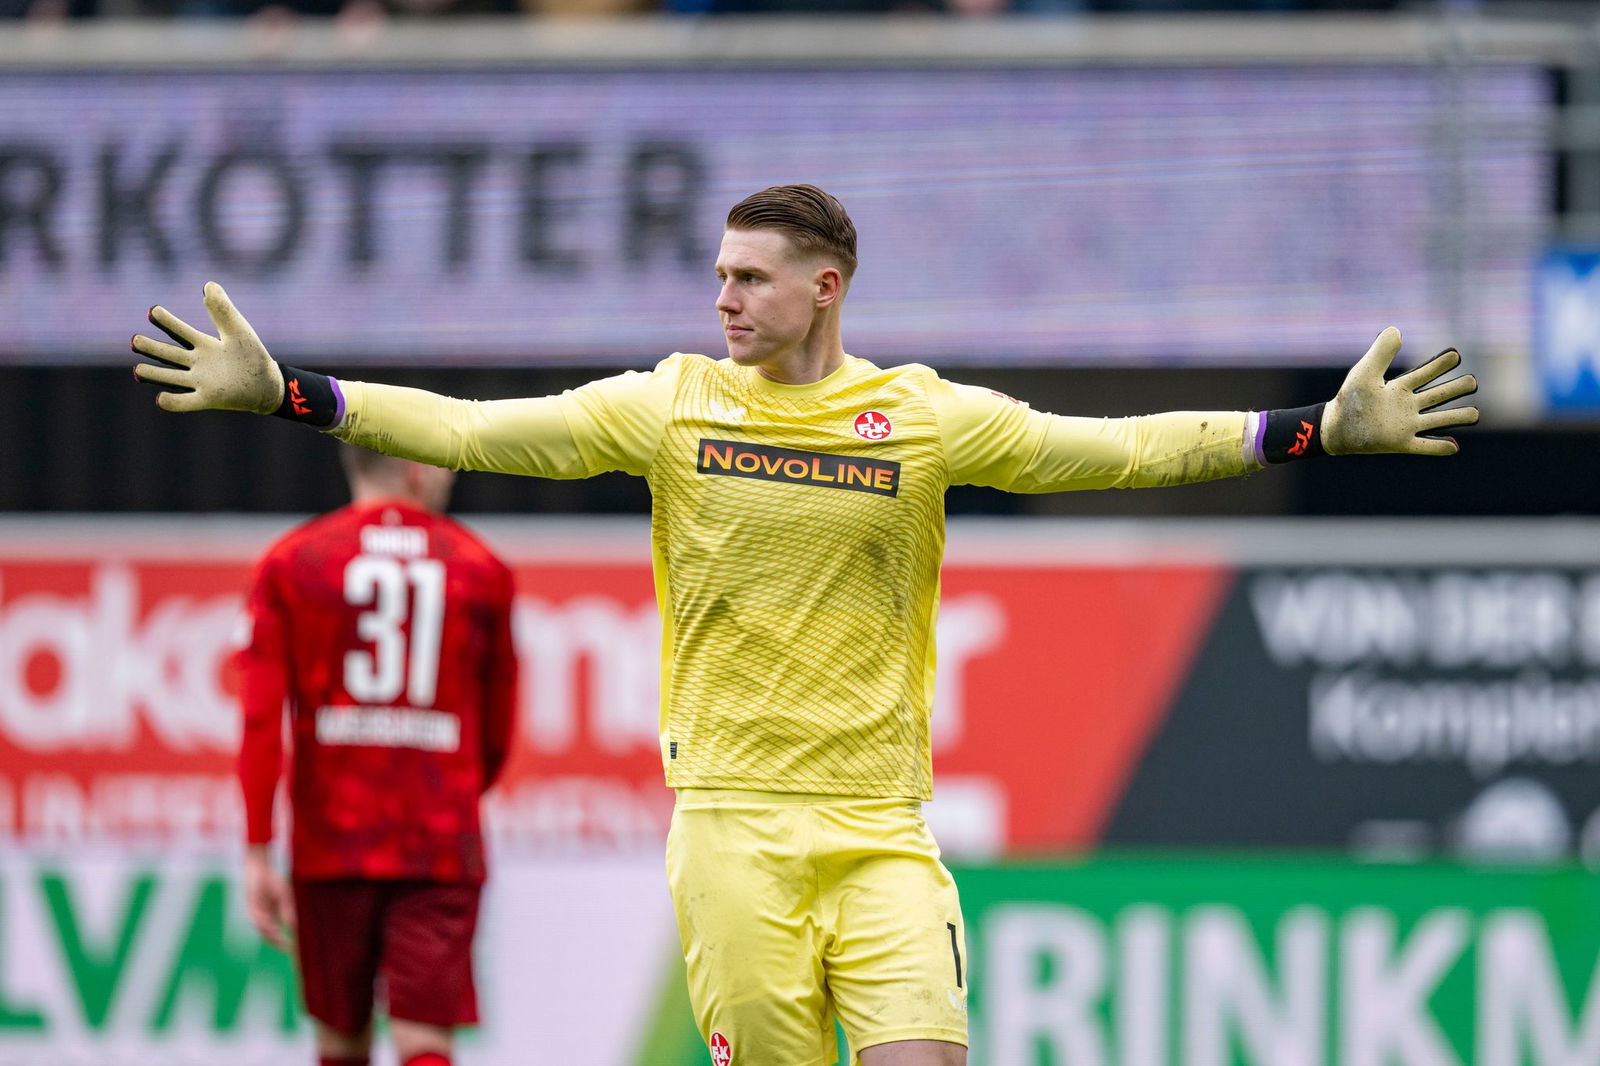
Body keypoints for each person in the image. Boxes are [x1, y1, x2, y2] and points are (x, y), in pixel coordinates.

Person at [135, 183, 1478, 1066]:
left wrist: (1310, 430)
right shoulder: (669, 406)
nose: (722, 299)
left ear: (825, 287)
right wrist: (296, 394)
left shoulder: (923, 416)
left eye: (750, 279)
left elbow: (1116, 450)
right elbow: (480, 431)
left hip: (883, 832)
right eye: (718, 275)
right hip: (732, 830)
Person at [232, 443, 517, 1066]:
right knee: (425, 1040)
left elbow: (260, 719)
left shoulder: (293, 561)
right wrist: (455, 789)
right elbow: (497, 732)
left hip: (332, 838)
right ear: (418, 468)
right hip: (438, 840)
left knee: (340, 1040)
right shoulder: (479, 566)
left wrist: (258, 847)